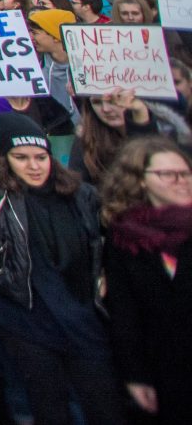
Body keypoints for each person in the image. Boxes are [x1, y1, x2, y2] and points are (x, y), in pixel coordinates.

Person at [0, 96, 121, 425]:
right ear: (6, 159)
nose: (33, 165)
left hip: (83, 318)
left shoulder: (82, 195)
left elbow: (108, 237)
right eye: (21, 157)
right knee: (49, 408)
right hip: (28, 321)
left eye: (40, 157)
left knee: (104, 406)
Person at [102, 136, 192, 420]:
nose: (181, 180)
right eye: (168, 174)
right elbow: (125, 312)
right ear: (140, 180)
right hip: (166, 371)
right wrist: (135, 374)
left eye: (186, 173)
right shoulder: (124, 239)